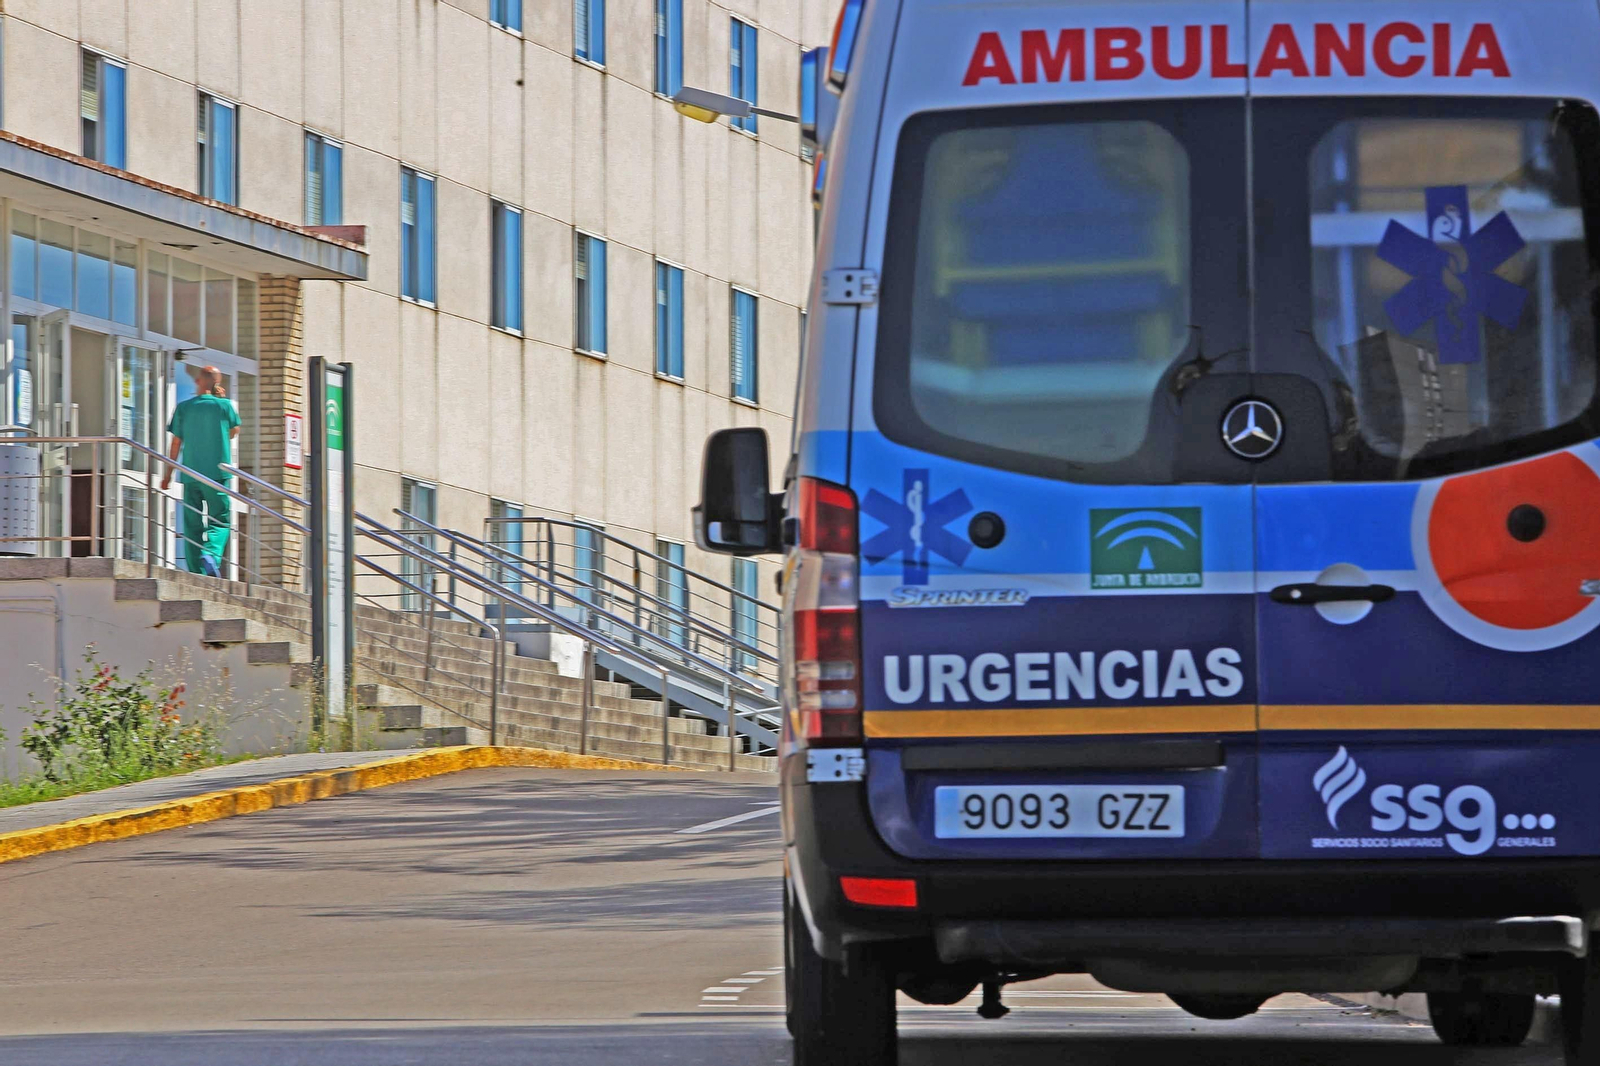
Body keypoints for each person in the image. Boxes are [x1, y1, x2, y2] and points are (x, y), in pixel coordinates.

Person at [161, 366, 240, 577]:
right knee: (220, 520)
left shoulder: (184, 408)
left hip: (190, 474)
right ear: (217, 384)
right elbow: (233, 432)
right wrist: (221, 400)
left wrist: (168, 475)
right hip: (217, 476)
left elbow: (176, 443)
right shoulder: (225, 406)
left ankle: (196, 572)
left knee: (192, 524)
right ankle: (211, 555)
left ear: (198, 381)